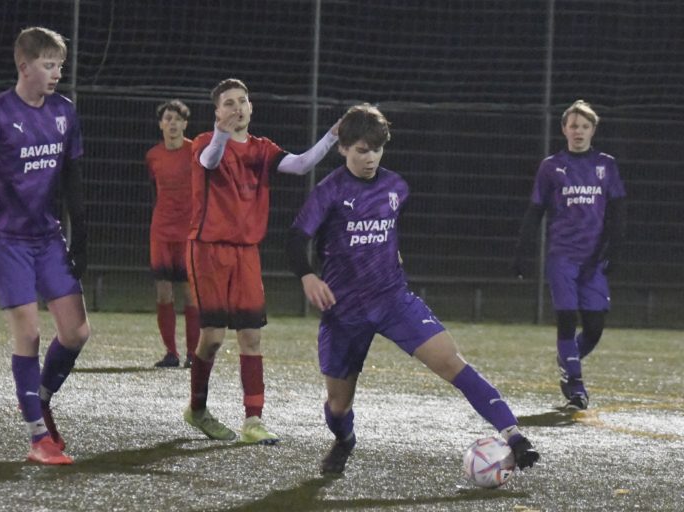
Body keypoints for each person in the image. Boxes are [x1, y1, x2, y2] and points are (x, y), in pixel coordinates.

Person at [285, 103, 540, 474]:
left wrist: (391, 256)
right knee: (338, 405)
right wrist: (308, 275)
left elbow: (386, 232)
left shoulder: (396, 186)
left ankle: (514, 434)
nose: (370, 157)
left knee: (453, 362)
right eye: (360, 150)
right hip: (345, 311)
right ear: (342, 148)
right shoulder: (329, 191)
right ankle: (344, 437)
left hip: (394, 300)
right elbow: (295, 239)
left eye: (376, 149)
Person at [0, 27, 90, 465]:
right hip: (4, 236)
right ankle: (37, 439)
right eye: (48, 65)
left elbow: (70, 175)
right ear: (24, 66)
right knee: (28, 333)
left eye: (60, 66)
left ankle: (39, 399)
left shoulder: (64, 112)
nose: (56, 74)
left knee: (77, 332)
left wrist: (81, 233)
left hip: (46, 234)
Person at [183, 78, 340, 445]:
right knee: (213, 339)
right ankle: (197, 409)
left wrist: (332, 135)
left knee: (251, 337)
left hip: (246, 252)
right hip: (207, 250)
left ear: (251, 108)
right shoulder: (207, 142)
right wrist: (221, 135)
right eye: (228, 103)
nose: (237, 107)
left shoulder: (262, 149)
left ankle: (253, 420)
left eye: (242, 101)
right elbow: (211, 161)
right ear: (217, 112)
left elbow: (301, 165)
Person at [513, 99, 627, 411]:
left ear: (593, 129)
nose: (578, 131)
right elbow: (535, 211)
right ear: (564, 129)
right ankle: (576, 388)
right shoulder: (551, 166)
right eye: (573, 125)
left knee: (594, 327)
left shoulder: (606, 165)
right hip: (562, 256)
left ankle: (567, 357)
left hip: (594, 259)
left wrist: (615, 249)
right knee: (566, 318)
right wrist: (522, 252)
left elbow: (617, 212)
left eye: (584, 126)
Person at [145, 99, 199, 369]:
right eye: (168, 119)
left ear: (185, 124)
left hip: (188, 233)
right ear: (161, 124)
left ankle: (192, 354)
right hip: (161, 232)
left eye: (177, 119)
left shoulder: (195, 152)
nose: (173, 123)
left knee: (190, 293)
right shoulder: (153, 155)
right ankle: (171, 353)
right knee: (163, 293)